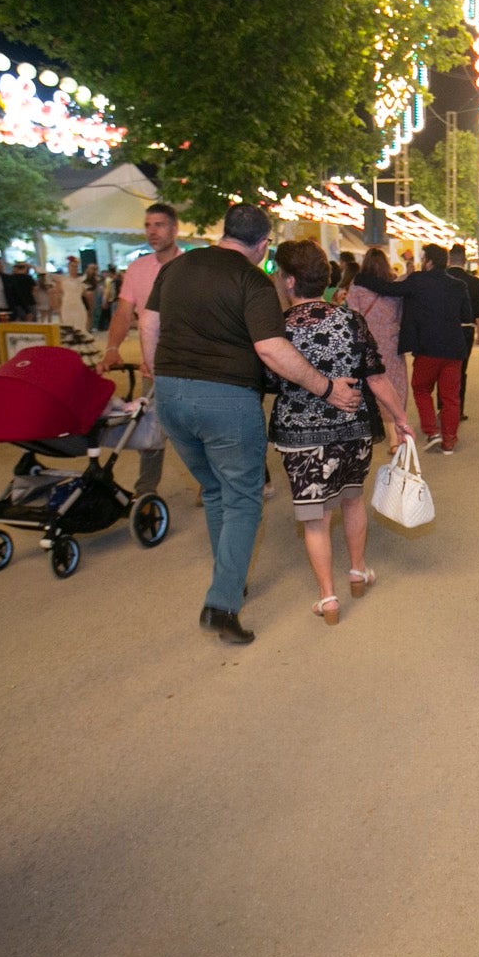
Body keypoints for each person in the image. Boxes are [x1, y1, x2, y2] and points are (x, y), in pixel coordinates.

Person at [148, 203, 361, 645]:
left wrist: (163, 373)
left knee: (213, 491)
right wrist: (325, 387)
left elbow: (149, 323)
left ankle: (230, 578)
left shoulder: (176, 266)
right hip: (226, 399)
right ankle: (223, 605)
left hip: (170, 396)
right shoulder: (252, 281)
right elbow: (270, 350)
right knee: (244, 498)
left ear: (224, 231)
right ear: (263, 244)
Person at [269, 241, 413, 624]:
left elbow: (268, 380)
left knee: (315, 518)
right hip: (353, 428)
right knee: (352, 500)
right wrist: (400, 417)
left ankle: (328, 598)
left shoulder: (276, 330)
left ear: (289, 281)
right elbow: (377, 376)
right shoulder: (350, 320)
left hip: (299, 434)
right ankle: (357, 570)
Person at [352, 244, 472, 454]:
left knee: (422, 388)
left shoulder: (418, 280)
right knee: (451, 397)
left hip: (427, 348)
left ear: (430, 262)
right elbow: (467, 315)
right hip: (454, 348)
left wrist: (363, 278)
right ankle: (449, 441)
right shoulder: (459, 285)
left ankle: (432, 432)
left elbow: (389, 289)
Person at [100, 202, 183, 495]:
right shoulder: (137, 269)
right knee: (149, 424)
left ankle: (210, 482)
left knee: (199, 424)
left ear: (174, 229)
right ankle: (146, 490)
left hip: (190, 362)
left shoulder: (190, 267)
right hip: (153, 363)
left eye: (159, 225)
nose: (152, 231)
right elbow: (123, 314)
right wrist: (112, 347)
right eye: (148, 225)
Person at [346, 247, 408, 450]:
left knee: (372, 383)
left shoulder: (357, 285)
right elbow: (400, 315)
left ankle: (379, 432)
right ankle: (396, 435)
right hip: (392, 341)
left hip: (368, 342)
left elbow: (353, 314)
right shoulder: (394, 285)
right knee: (396, 385)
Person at [447, 244, 479, 423]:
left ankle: (443, 407)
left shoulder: (443, 279)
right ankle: (458, 409)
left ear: (450, 259)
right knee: (460, 370)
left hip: (443, 329)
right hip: (465, 329)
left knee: (443, 369)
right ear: (464, 260)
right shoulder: (474, 282)